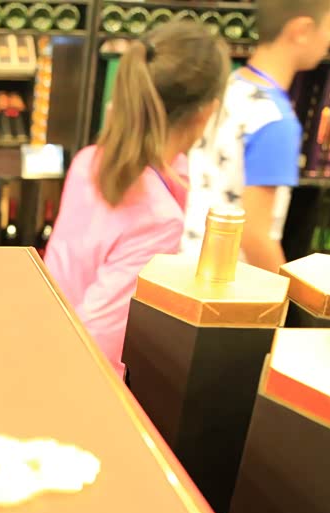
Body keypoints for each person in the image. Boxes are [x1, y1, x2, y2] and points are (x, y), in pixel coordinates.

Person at [44, 20, 229, 378]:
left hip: (48, 335)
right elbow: (99, 339)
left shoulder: (90, 160)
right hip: (80, 373)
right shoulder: (157, 218)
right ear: (206, 113)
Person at [184, 0, 330, 272]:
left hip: (187, 262)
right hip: (224, 278)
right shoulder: (276, 121)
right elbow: (255, 235)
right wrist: (287, 291)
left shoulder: (228, 84)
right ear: (302, 30)